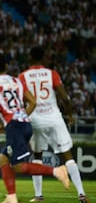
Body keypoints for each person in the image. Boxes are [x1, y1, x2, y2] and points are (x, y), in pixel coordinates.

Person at [0, 52, 70, 203]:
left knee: (18, 166)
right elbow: (33, 102)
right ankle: (11, 196)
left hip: (14, 126)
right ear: (7, 66)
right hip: (25, 124)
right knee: (3, 158)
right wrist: (22, 115)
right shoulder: (16, 81)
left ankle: (57, 171)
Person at [18, 46, 90, 203]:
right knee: (68, 156)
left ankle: (38, 196)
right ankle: (81, 194)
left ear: (30, 58)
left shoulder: (23, 76)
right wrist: (70, 114)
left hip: (35, 121)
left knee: (37, 156)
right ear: (44, 58)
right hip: (55, 119)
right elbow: (65, 97)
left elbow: (20, 100)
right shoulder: (52, 74)